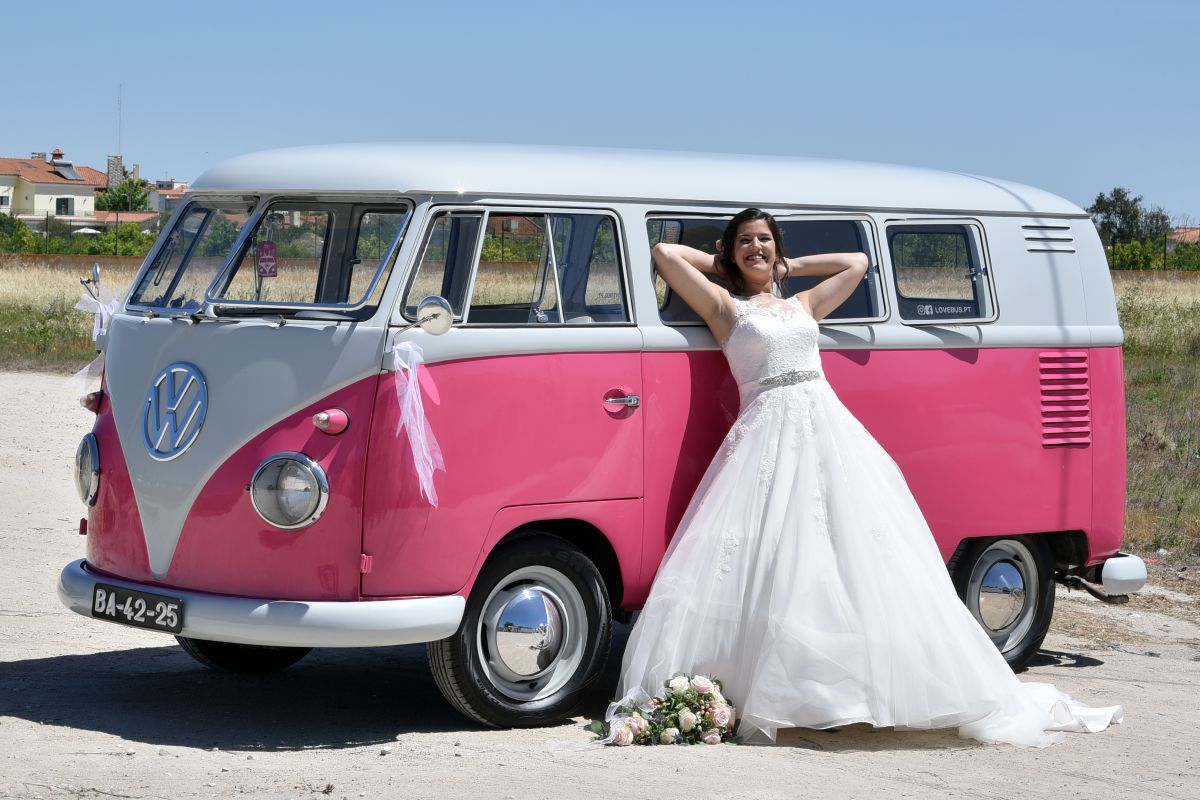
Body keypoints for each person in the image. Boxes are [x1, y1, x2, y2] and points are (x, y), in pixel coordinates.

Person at [612, 208, 1123, 747]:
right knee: (773, 559)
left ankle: (860, 685)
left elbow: (857, 263)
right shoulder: (724, 307)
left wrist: (788, 264)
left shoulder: (802, 303)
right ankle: (773, 686)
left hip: (827, 428)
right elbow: (665, 255)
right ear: (729, 249)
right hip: (764, 433)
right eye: (746, 241)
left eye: (764, 240)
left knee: (850, 556)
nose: (756, 248)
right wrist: (724, 263)